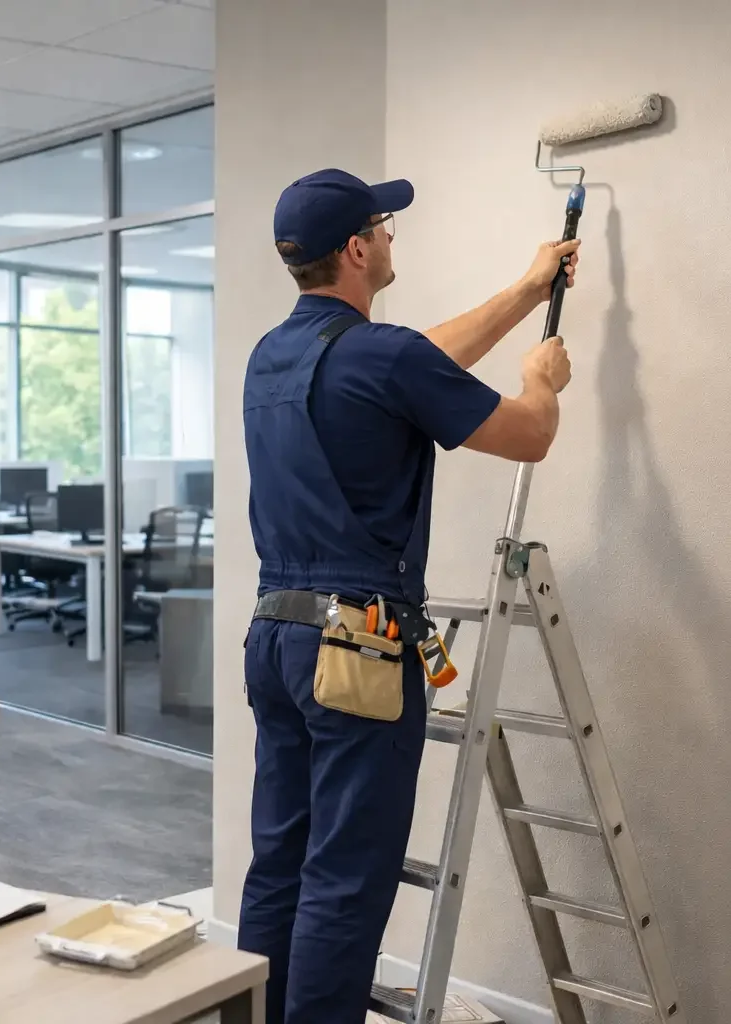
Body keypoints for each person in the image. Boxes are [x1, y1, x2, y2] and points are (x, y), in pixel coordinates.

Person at [239, 168, 579, 1024]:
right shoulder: (379, 358)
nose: (393, 235)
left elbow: (416, 365)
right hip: (356, 648)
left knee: (280, 861)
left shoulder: (275, 356)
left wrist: (525, 288)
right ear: (357, 249)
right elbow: (528, 434)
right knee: (345, 878)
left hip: (276, 640)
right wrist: (543, 376)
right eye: (385, 225)